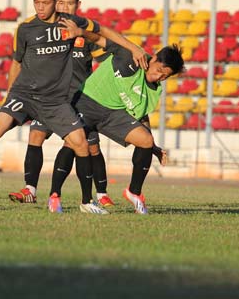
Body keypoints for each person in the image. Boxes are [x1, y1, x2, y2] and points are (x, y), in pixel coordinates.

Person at [0, 0, 146, 215]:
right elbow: (16, 63)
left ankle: (87, 201)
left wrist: (133, 48)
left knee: (80, 142)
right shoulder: (26, 28)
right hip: (24, 93)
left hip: (54, 101)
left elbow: (103, 33)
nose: (40, 7)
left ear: (56, 1)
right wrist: (9, 96)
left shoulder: (71, 23)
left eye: (45, 2)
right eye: (36, 2)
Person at [8, 0, 114, 207]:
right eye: (62, 2)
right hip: (49, 98)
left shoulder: (82, 33)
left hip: (78, 100)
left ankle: (102, 194)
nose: (65, 7)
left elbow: (106, 59)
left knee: (90, 146)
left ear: (78, 5)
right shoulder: (48, 29)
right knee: (35, 135)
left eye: (70, 3)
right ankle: (30, 189)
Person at [47, 41, 185, 214]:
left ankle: (134, 192)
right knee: (74, 145)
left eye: (165, 76)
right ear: (154, 58)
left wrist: (153, 147)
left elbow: (140, 114)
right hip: (88, 102)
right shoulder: (132, 56)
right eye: (159, 70)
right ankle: (55, 196)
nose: (159, 77)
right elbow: (103, 37)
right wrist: (81, 30)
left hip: (113, 113)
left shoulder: (154, 89)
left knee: (146, 140)